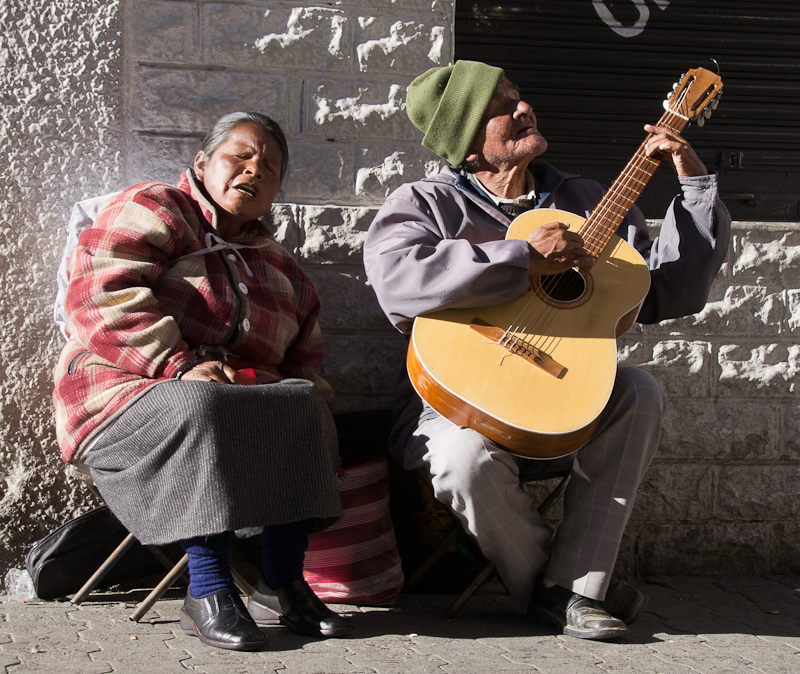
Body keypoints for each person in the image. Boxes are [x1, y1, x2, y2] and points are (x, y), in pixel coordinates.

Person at [363, 61, 730, 641]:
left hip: (566, 402)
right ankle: (571, 588)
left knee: (639, 388)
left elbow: (669, 290)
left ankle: (568, 590)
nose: (524, 108)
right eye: (502, 106)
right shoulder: (425, 203)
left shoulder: (587, 200)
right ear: (467, 139)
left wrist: (693, 183)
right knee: (462, 458)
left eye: (520, 96)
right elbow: (398, 285)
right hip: (458, 404)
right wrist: (522, 260)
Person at [52, 112, 353, 651]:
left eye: (270, 166)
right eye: (239, 155)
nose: (253, 170)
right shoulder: (158, 208)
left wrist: (277, 392)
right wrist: (180, 364)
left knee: (306, 402)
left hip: (228, 410)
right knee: (202, 398)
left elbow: (304, 361)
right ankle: (208, 586)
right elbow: (98, 292)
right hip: (121, 397)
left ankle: (280, 580)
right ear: (202, 162)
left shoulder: (281, 267)